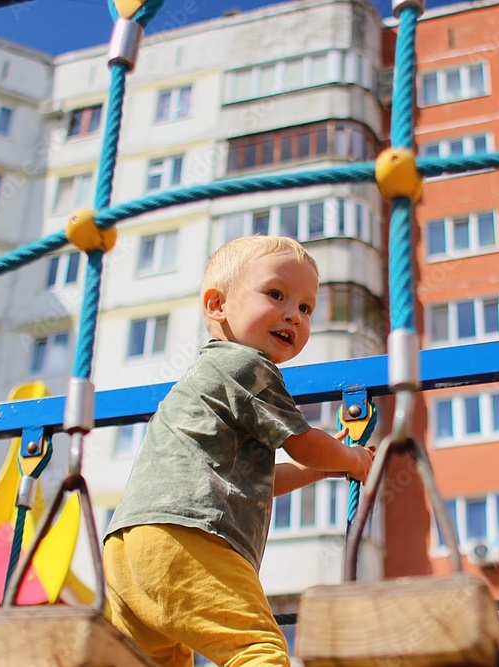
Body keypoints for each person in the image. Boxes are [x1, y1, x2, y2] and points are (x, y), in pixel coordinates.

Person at [104, 235, 374, 667]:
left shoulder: (201, 379)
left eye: (306, 308)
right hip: (191, 537)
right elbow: (303, 443)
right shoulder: (246, 366)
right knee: (255, 649)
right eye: (276, 294)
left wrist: (321, 472)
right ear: (217, 305)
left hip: (128, 549)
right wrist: (353, 459)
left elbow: (251, 485)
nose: (293, 315)